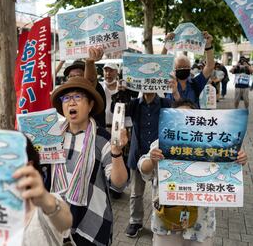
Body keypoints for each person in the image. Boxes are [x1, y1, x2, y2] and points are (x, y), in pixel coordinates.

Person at [138, 99, 248, 246]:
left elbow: (227, 168)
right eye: (179, 117)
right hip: (166, 220)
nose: (184, 122)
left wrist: (238, 158)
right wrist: (151, 161)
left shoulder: (212, 144)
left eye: (188, 117)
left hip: (201, 224)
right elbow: (143, 168)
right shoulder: (161, 144)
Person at [50, 76, 129, 246]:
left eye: (78, 97)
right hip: (57, 219)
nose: (71, 103)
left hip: (93, 221)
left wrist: (116, 153)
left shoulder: (103, 139)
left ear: (91, 105)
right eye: (66, 98)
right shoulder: (53, 137)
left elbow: (119, 184)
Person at [125, 92, 172, 238]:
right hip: (138, 153)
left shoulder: (166, 103)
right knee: (135, 192)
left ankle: (161, 220)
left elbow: (181, 114)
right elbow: (117, 111)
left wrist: (175, 90)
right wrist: (123, 92)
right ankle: (135, 222)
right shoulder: (133, 103)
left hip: (160, 156)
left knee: (159, 193)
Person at [162, 31, 215, 107]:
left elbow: (209, 67)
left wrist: (208, 46)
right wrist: (166, 45)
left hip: (192, 118)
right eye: (179, 67)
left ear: (190, 68)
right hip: (171, 118)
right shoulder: (169, 83)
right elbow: (160, 65)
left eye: (186, 67)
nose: (183, 69)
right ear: (174, 69)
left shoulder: (196, 83)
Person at [60, 47, 107, 127]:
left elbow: (90, 80)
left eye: (78, 75)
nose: (73, 79)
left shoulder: (93, 88)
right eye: (70, 76)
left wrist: (89, 61)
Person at [100, 61, 120, 128]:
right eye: (106, 71)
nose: (108, 74)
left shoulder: (121, 87)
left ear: (117, 72)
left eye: (111, 71)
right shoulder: (99, 87)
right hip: (102, 126)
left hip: (118, 127)